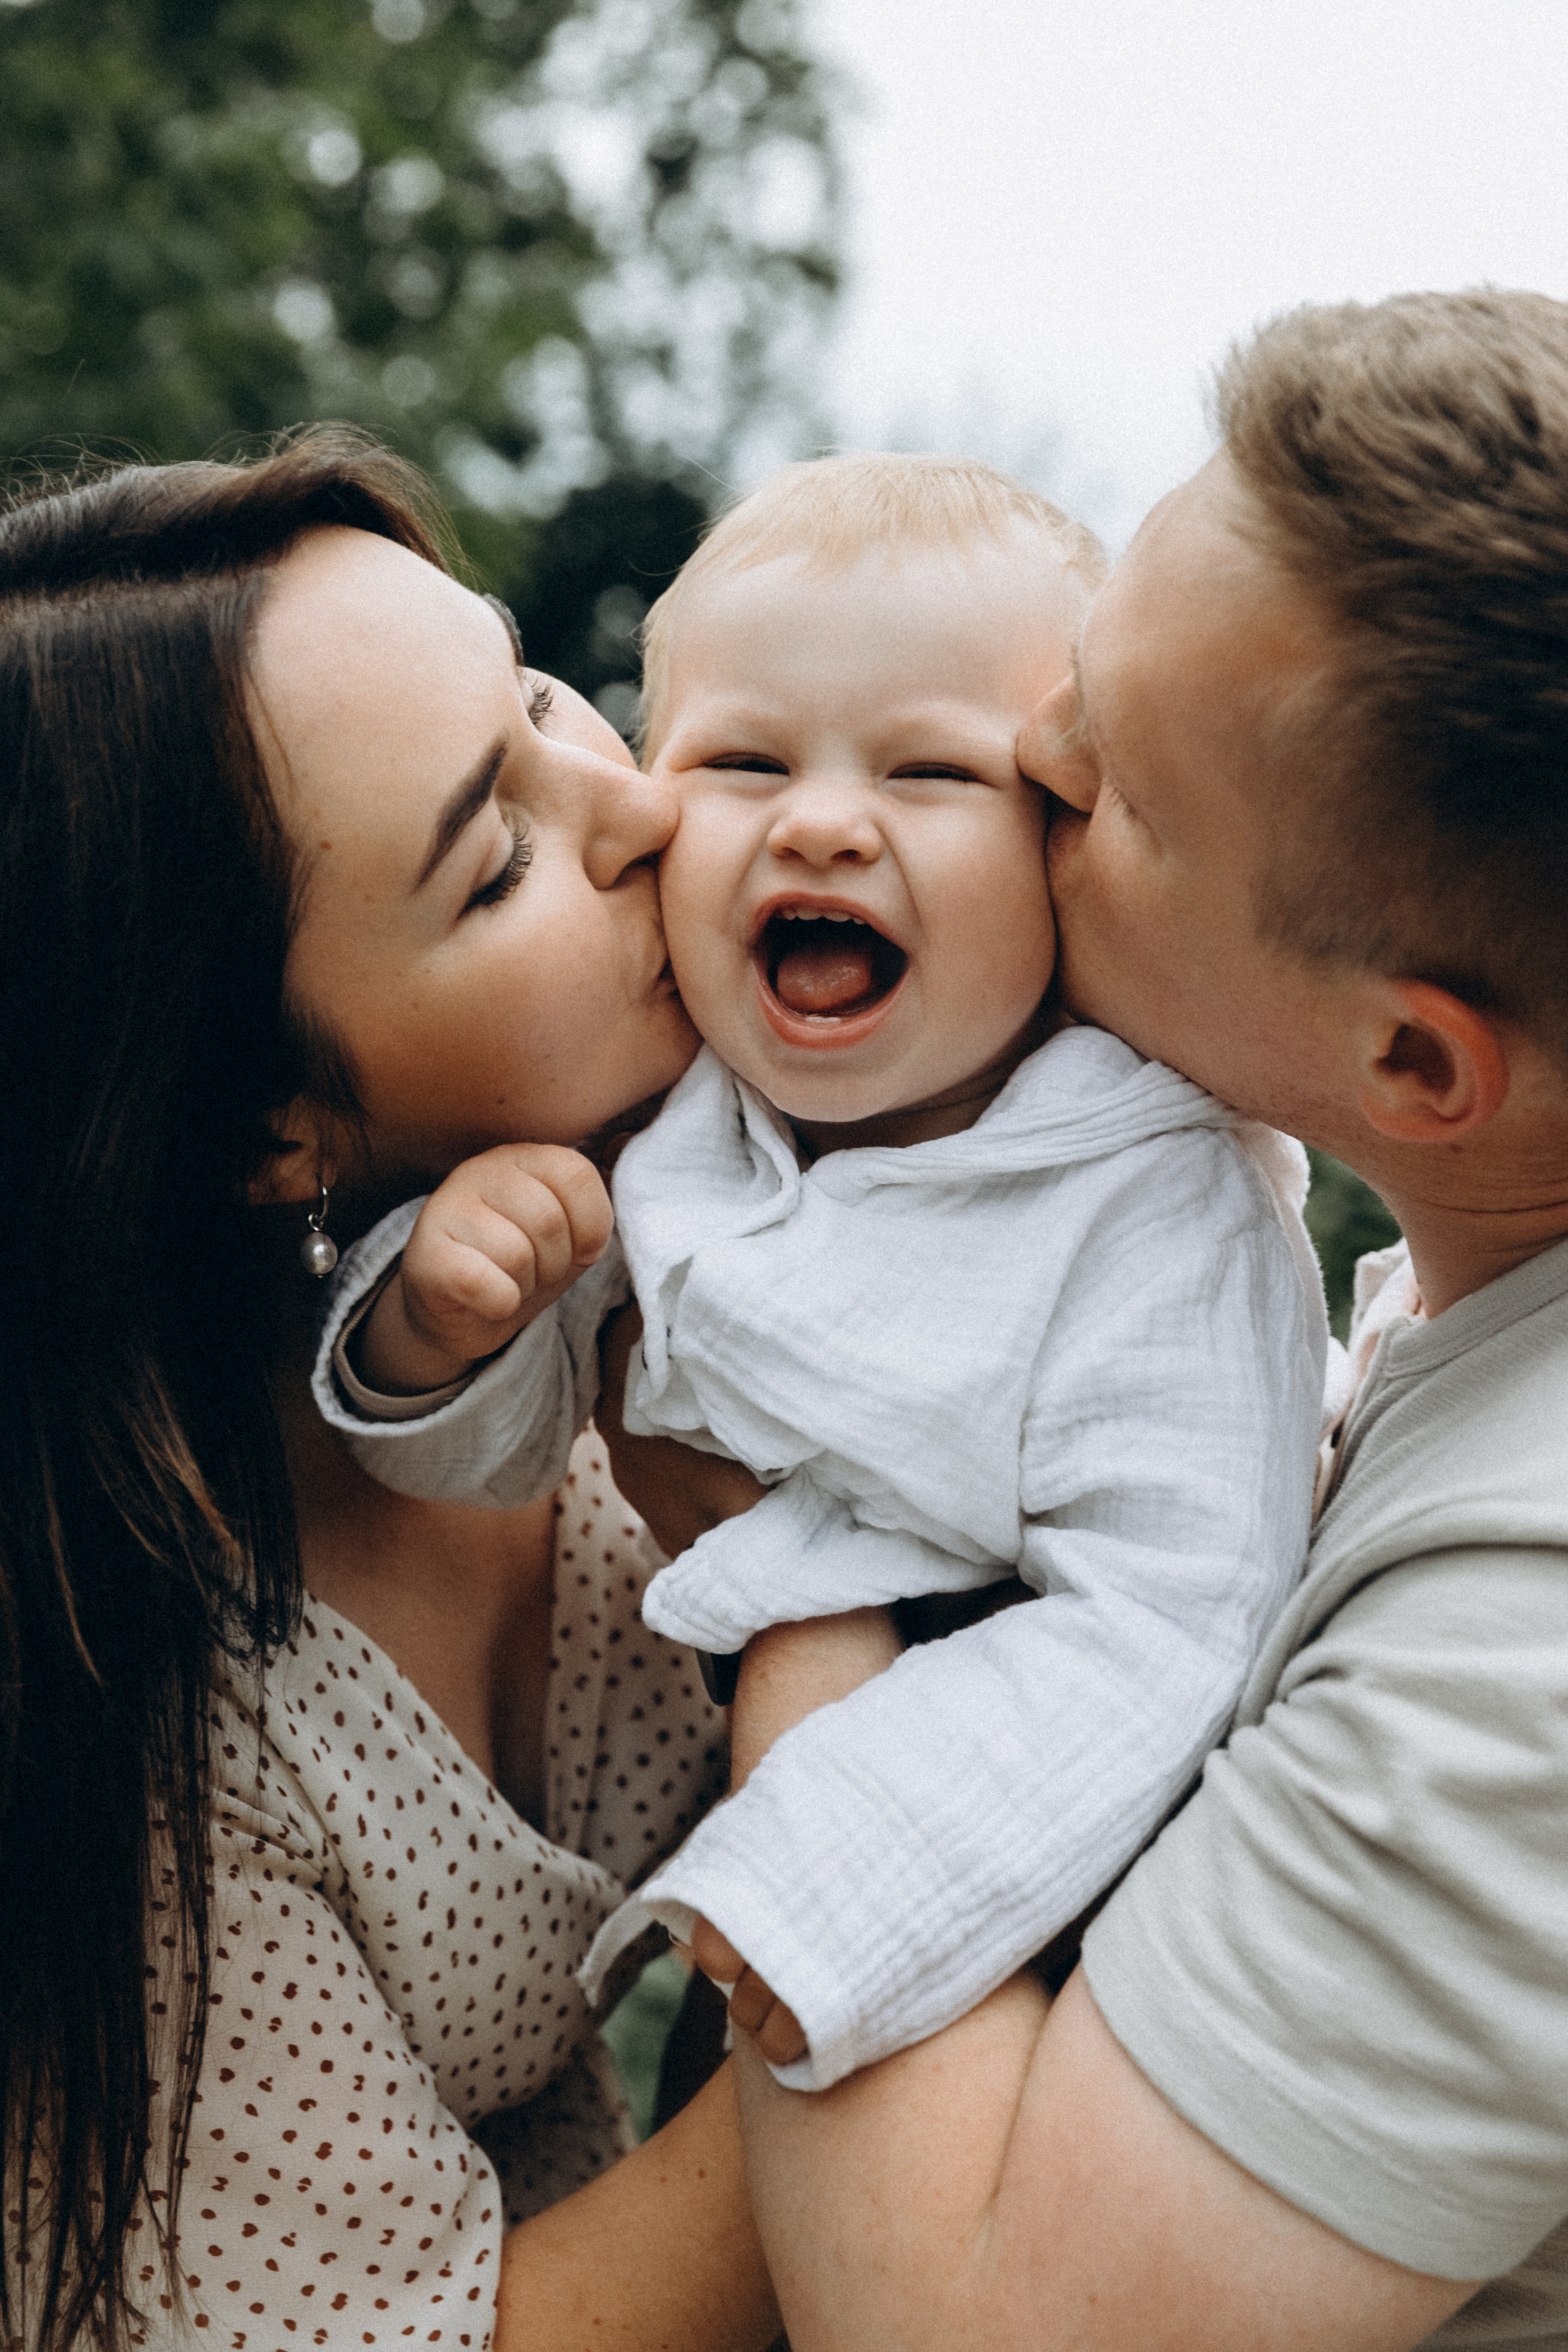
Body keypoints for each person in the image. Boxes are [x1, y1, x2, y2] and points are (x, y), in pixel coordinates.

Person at [629, 287, 1568, 2351]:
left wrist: (790, 1572)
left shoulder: (1533, 1653)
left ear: (1415, 1068)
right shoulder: (1453, 1293)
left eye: (1113, 783)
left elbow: (969, 2329)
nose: (1027, 760)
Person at [310, 453, 1327, 2092]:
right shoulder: (678, 1127)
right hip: (781, 1882)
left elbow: (1175, 1612)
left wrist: (838, 1870)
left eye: (931, 772)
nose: (825, 820)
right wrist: (441, 1330)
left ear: (1069, 839)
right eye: (741, 759)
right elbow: (482, 1461)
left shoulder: (1147, 1196)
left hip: (1055, 1887)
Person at [0, 435, 781, 2350]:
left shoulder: (643, 1254)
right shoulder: (147, 1718)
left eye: (533, 689)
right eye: (499, 858)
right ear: (273, 1126)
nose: (637, 809)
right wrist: (934, 1921)